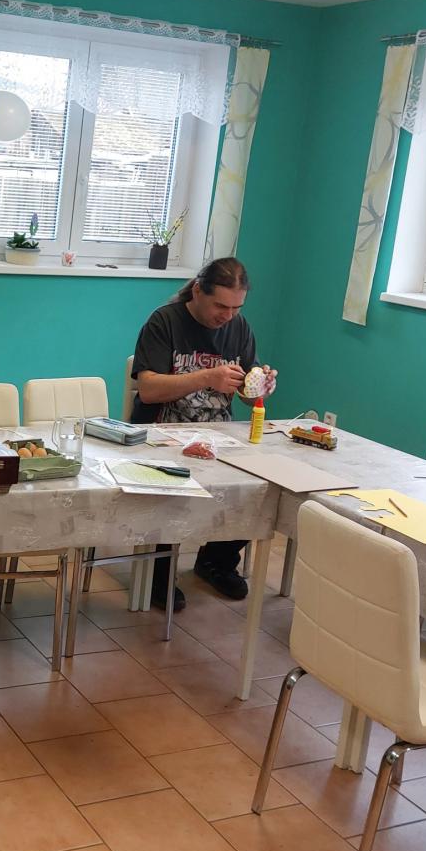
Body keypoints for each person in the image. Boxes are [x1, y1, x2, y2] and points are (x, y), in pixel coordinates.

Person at [129, 257, 277, 611]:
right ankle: (157, 570)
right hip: (160, 433)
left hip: (218, 434)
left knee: (260, 487)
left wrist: (259, 386)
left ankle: (217, 561)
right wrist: (207, 377)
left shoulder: (239, 328)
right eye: (220, 306)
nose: (228, 315)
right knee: (170, 492)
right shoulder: (164, 321)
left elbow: (245, 392)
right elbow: (147, 389)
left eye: (236, 307)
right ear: (197, 291)